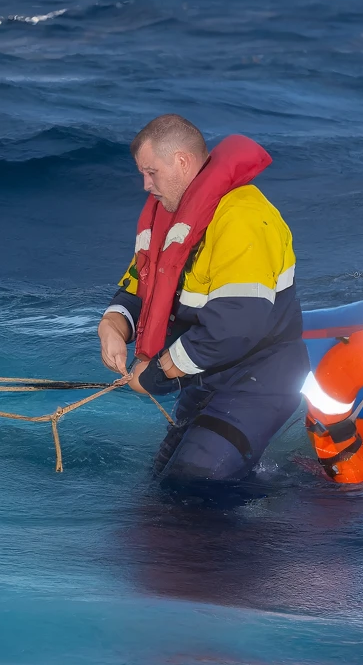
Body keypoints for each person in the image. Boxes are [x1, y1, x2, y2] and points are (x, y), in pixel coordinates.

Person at [96, 114, 307, 486]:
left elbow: (237, 325)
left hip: (259, 376)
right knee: (160, 482)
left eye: (151, 173)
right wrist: (112, 325)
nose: (146, 185)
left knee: (193, 485)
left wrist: (161, 374)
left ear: (181, 161)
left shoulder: (242, 219)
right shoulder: (170, 218)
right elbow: (139, 287)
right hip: (206, 376)